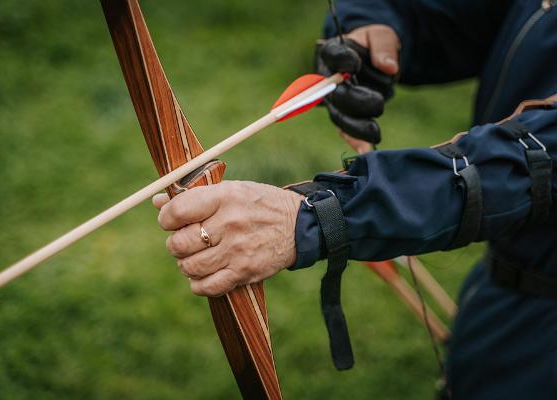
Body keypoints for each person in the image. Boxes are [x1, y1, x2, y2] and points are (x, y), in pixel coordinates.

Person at [153, 1, 557, 398]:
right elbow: (461, 17)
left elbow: (532, 159)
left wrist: (314, 215)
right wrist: (375, 26)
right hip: (499, 295)